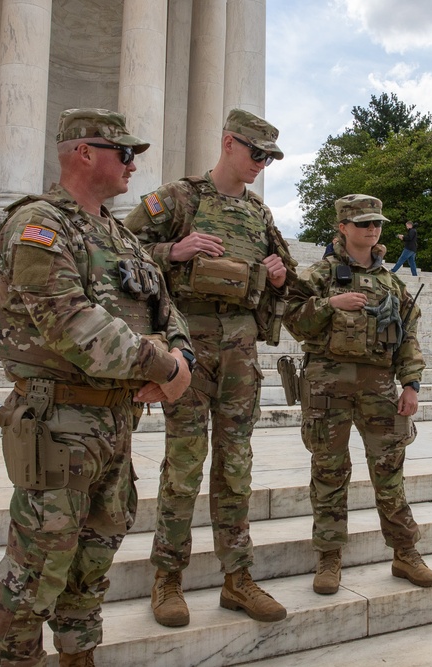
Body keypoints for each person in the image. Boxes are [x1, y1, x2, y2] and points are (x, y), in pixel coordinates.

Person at [0, 108, 194, 667]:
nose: (133, 164)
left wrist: (182, 355)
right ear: (83, 153)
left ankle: (79, 657)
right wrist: (163, 368)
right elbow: (73, 325)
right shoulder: (41, 226)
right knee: (36, 571)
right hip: (56, 426)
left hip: (113, 427)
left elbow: (167, 313)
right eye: (124, 153)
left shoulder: (120, 234)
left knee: (92, 566)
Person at [124, 108, 297, 628]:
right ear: (228, 143)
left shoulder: (260, 215)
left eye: (269, 157)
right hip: (187, 351)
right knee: (184, 464)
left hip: (240, 354)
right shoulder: (178, 199)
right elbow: (120, 252)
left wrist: (279, 272)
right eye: (256, 153)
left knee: (236, 465)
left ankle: (237, 578)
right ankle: (167, 578)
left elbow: (291, 278)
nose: (262, 164)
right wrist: (171, 249)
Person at [283, 194, 432, 596]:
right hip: (327, 389)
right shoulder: (318, 275)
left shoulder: (392, 283)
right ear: (343, 227)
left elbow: (409, 339)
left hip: (379, 388)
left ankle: (405, 552)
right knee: (329, 473)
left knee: (390, 474)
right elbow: (294, 323)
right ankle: (329, 557)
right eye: (363, 223)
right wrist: (329, 304)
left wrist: (411, 384)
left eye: (377, 224)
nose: (372, 230)